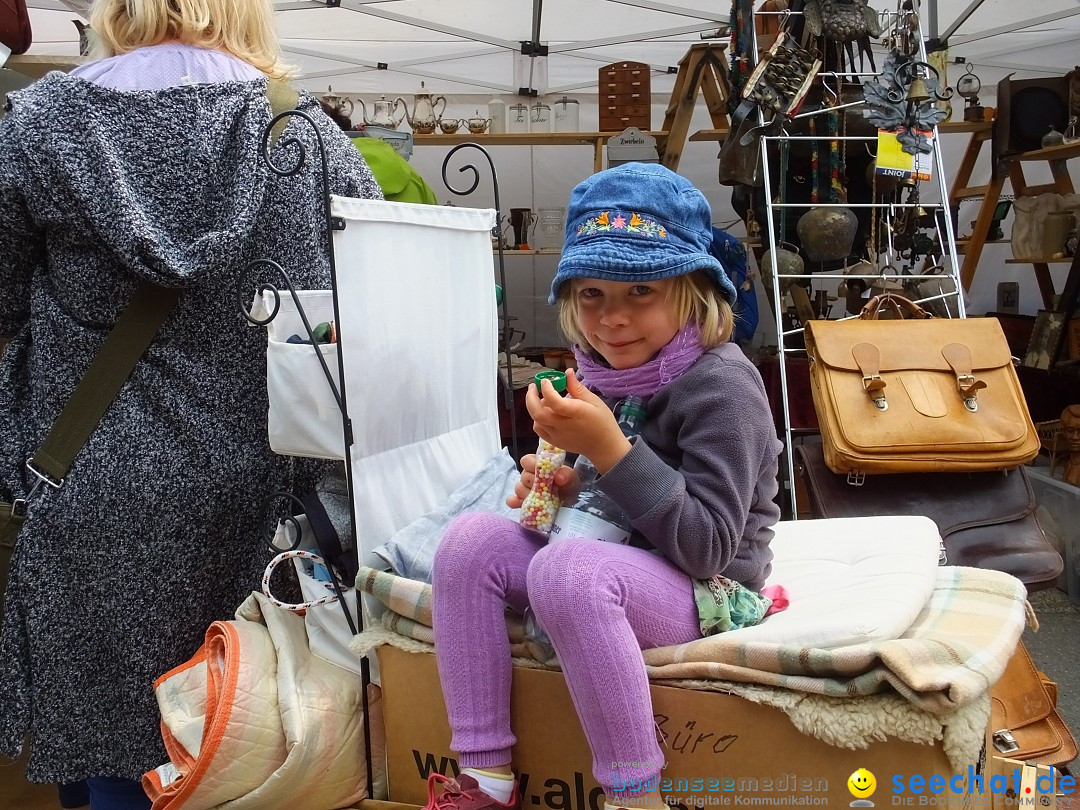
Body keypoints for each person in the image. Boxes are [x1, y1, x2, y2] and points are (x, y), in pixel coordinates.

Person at [0, 0, 382, 807]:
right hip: (269, 507)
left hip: (90, 488)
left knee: (112, 752)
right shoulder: (306, 138)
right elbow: (375, 322)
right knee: (259, 735)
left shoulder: (35, 127)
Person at [429, 163, 783, 810]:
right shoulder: (602, 372)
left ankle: (634, 797)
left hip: (711, 587)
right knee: (467, 543)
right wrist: (565, 488)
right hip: (617, 558)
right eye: (591, 294)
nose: (612, 318)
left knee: (569, 572)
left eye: (640, 289)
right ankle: (485, 782)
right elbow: (609, 505)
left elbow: (707, 546)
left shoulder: (722, 384)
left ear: (693, 288)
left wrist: (607, 449)